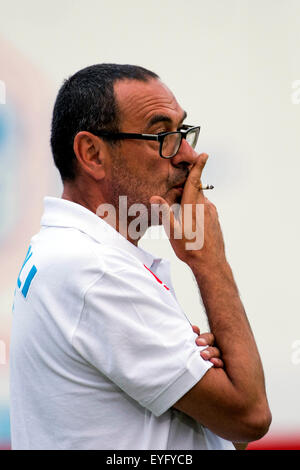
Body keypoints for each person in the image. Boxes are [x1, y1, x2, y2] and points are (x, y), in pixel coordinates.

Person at [10, 64, 271, 450]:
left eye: (183, 131)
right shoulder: (95, 269)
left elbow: (232, 427)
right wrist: (210, 261)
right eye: (162, 134)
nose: (187, 154)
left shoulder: (71, 252)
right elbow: (249, 418)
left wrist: (221, 394)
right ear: (92, 153)